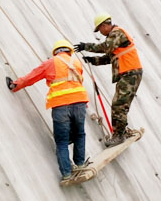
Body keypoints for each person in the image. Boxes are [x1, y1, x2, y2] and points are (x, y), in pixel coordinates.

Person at [8, 40, 89, 186]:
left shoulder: (51, 63)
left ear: (56, 51)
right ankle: (80, 165)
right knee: (79, 134)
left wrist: (15, 85)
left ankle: (66, 174)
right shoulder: (76, 62)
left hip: (60, 105)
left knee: (62, 141)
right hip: (79, 103)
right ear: (69, 50)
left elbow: (32, 77)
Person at [74, 13, 142, 147]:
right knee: (120, 104)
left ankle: (119, 135)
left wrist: (85, 46)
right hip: (129, 74)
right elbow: (108, 57)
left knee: (119, 105)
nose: (100, 32)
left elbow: (105, 47)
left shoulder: (116, 33)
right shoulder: (116, 37)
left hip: (130, 74)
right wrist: (93, 60)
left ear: (104, 25)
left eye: (99, 29)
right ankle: (121, 131)